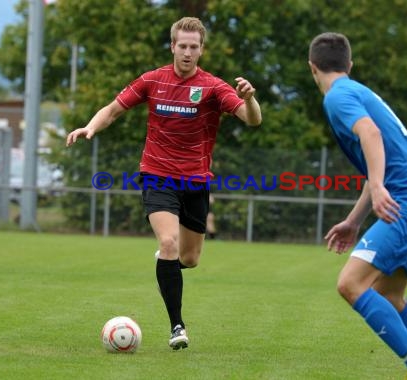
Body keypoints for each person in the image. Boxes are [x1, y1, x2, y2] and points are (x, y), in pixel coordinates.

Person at [67, 17, 262, 350]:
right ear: (172, 46)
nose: (187, 52)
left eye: (193, 47)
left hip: (196, 182)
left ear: (201, 50)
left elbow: (251, 119)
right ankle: (177, 326)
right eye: (182, 46)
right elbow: (113, 110)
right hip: (157, 176)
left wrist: (250, 98)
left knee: (189, 259)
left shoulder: (213, 86)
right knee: (169, 244)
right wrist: (91, 127)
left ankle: (166, 264)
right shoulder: (152, 80)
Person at [308, 33, 407, 380]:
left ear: (312, 68)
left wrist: (376, 185)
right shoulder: (357, 91)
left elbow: (370, 134)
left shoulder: (338, 97)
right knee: (388, 294)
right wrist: (355, 220)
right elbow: (379, 157)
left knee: (351, 284)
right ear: (350, 65)